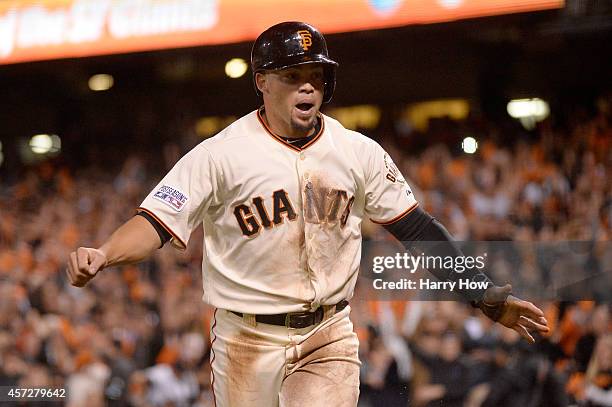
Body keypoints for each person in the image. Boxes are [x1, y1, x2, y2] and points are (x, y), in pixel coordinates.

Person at [67, 21, 549, 406]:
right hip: (244, 340)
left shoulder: (356, 150)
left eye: (315, 76)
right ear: (261, 83)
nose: (307, 87)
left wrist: (480, 294)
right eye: (292, 76)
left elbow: (418, 228)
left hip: (327, 332)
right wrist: (104, 253)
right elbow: (155, 222)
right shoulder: (220, 154)